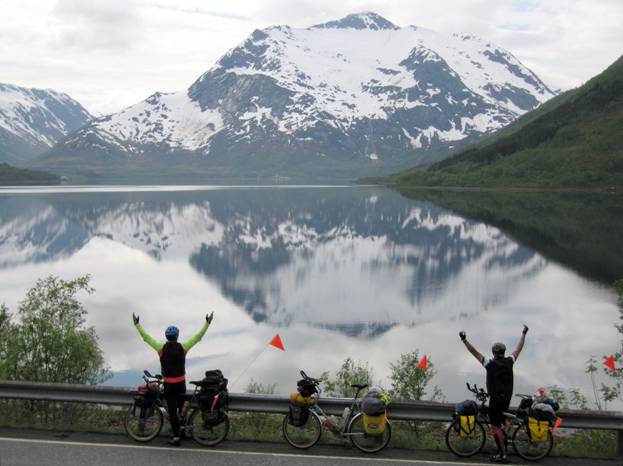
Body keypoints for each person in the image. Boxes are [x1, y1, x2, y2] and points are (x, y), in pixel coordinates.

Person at [132, 312, 214, 446]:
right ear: (177, 336)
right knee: (180, 411)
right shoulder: (184, 347)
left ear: (166, 337)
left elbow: (146, 338)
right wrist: (207, 323)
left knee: (173, 413)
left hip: (169, 386)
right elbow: (198, 337)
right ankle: (182, 431)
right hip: (181, 384)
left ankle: (176, 437)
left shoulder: (161, 348)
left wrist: (137, 325)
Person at [459, 325, 529, 464]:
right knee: (500, 425)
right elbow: (518, 349)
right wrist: (523, 334)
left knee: (495, 427)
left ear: (493, 352)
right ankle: (502, 447)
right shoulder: (509, 361)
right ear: (503, 352)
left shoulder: (489, 364)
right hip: (506, 399)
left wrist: (464, 340)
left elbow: (474, 352)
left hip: (496, 401)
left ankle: (503, 455)